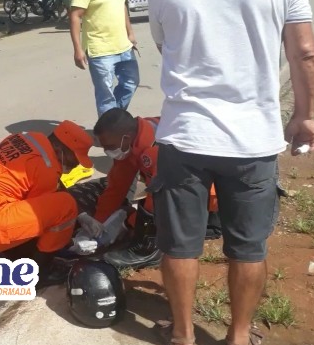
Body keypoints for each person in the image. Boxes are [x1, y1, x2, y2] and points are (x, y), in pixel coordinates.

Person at [147, 0, 314, 345]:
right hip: (252, 141)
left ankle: (183, 337)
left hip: (185, 138)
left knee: (180, 246)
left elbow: (168, 47)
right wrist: (305, 116)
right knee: (248, 247)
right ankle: (238, 342)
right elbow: (304, 53)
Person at [0, 121, 94, 287]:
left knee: (53, 201)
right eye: (74, 159)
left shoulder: (27, 138)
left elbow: (53, 184)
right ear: (59, 149)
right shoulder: (47, 166)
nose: (75, 166)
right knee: (66, 207)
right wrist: (69, 240)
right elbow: (43, 212)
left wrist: (82, 215)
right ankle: (40, 271)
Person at [77, 108, 220, 270]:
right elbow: (117, 186)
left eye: (110, 146)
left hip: (209, 197)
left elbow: (158, 199)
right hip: (193, 188)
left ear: (125, 138)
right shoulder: (137, 136)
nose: (107, 152)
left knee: (153, 215)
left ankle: (147, 251)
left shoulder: (157, 150)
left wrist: (132, 224)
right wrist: (99, 223)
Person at [69, 0, 140, 116]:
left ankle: (113, 119)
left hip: (123, 45)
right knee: (106, 97)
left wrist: (130, 33)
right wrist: (78, 50)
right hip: (100, 50)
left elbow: (122, 5)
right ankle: (110, 126)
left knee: (131, 83)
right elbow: (75, 16)